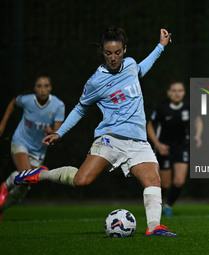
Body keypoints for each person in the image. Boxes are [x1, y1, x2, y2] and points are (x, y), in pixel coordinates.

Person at [14, 26, 176, 236]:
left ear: (124, 49)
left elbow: (141, 68)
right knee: (82, 180)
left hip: (138, 141)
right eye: (108, 53)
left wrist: (160, 47)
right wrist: (59, 132)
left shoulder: (130, 65)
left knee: (153, 181)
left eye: (117, 52)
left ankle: (154, 227)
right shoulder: (95, 81)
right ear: (102, 52)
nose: (113, 58)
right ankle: (42, 174)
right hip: (110, 138)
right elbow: (80, 108)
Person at [0, 75, 65, 221]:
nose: (43, 90)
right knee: (26, 174)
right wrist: (3, 124)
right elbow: (13, 103)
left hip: (39, 150)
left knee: (26, 184)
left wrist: (51, 132)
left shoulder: (58, 105)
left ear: (51, 88)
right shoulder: (28, 100)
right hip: (20, 141)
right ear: (34, 88)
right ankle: (6, 184)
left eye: (46, 86)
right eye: (39, 86)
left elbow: (57, 132)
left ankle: (1, 208)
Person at [147, 81, 202, 216]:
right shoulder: (162, 107)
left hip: (182, 145)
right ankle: (155, 206)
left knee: (179, 181)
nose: (177, 93)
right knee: (165, 184)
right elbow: (149, 125)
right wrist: (158, 144)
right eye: (174, 90)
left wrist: (198, 135)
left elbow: (198, 120)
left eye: (180, 90)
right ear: (169, 93)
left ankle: (168, 206)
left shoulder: (188, 106)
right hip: (164, 147)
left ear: (184, 93)